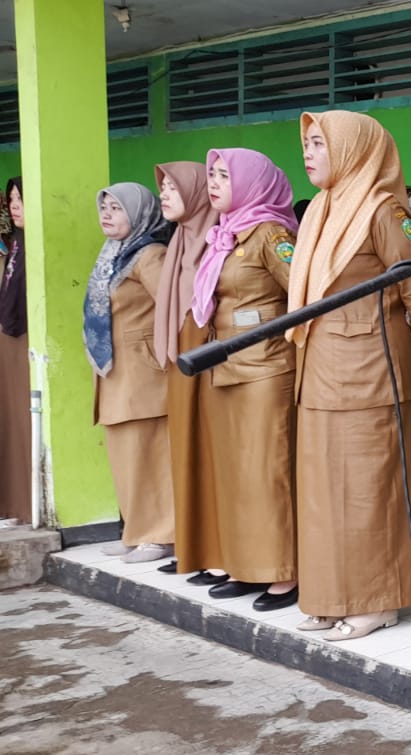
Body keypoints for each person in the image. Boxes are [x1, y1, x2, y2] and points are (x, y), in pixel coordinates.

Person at [290, 110, 411, 639]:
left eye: (318, 144)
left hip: (371, 369)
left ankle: (378, 599)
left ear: (353, 149)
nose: (308, 153)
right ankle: (331, 596)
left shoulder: (383, 210)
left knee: (370, 488)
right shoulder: (320, 211)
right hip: (319, 368)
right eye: (305, 144)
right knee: (325, 488)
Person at [191, 149, 300, 612]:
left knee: (268, 472)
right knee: (237, 475)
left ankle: (284, 572)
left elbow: (303, 290)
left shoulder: (271, 232)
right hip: (227, 365)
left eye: (223, 175)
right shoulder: (227, 233)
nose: (214, 182)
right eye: (211, 174)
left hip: (266, 367)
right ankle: (247, 565)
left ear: (252, 181)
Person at [85, 183, 174, 563]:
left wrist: (159, 353)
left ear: (138, 213)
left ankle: (162, 534)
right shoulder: (114, 254)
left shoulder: (149, 254)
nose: (107, 214)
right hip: (115, 371)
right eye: (103, 206)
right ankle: (136, 529)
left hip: (143, 371)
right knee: (126, 455)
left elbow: (172, 308)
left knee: (150, 454)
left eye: (117, 208)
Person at [155, 161, 221, 581]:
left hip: (209, 363)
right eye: (161, 187)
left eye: (172, 187)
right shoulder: (180, 241)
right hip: (182, 363)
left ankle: (217, 549)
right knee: (186, 453)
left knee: (212, 456)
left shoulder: (217, 241)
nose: (163, 194)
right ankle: (193, 546)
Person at [0, 177, 29, 526]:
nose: (15, 204)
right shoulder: (17, 246)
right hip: (10, 338)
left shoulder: (25, 246)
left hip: (23, 340)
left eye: (21, 197)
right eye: (12, 199)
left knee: (23, 421)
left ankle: (24, 505)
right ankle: (14, 505)